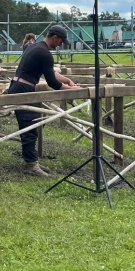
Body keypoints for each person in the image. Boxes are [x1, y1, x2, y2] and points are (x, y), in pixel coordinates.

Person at [8, 25, 79, 176]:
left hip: (18, 85)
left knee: (30, 125)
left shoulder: (35, 47)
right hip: (23, 89)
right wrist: (71, 90)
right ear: (54, 37)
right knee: (29, 127)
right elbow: (52, 82)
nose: (61, 45)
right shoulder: (44, 53)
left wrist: (68, 80)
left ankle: (32, 161)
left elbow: (49, 72)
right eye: (61, 41)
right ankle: (31, 165)